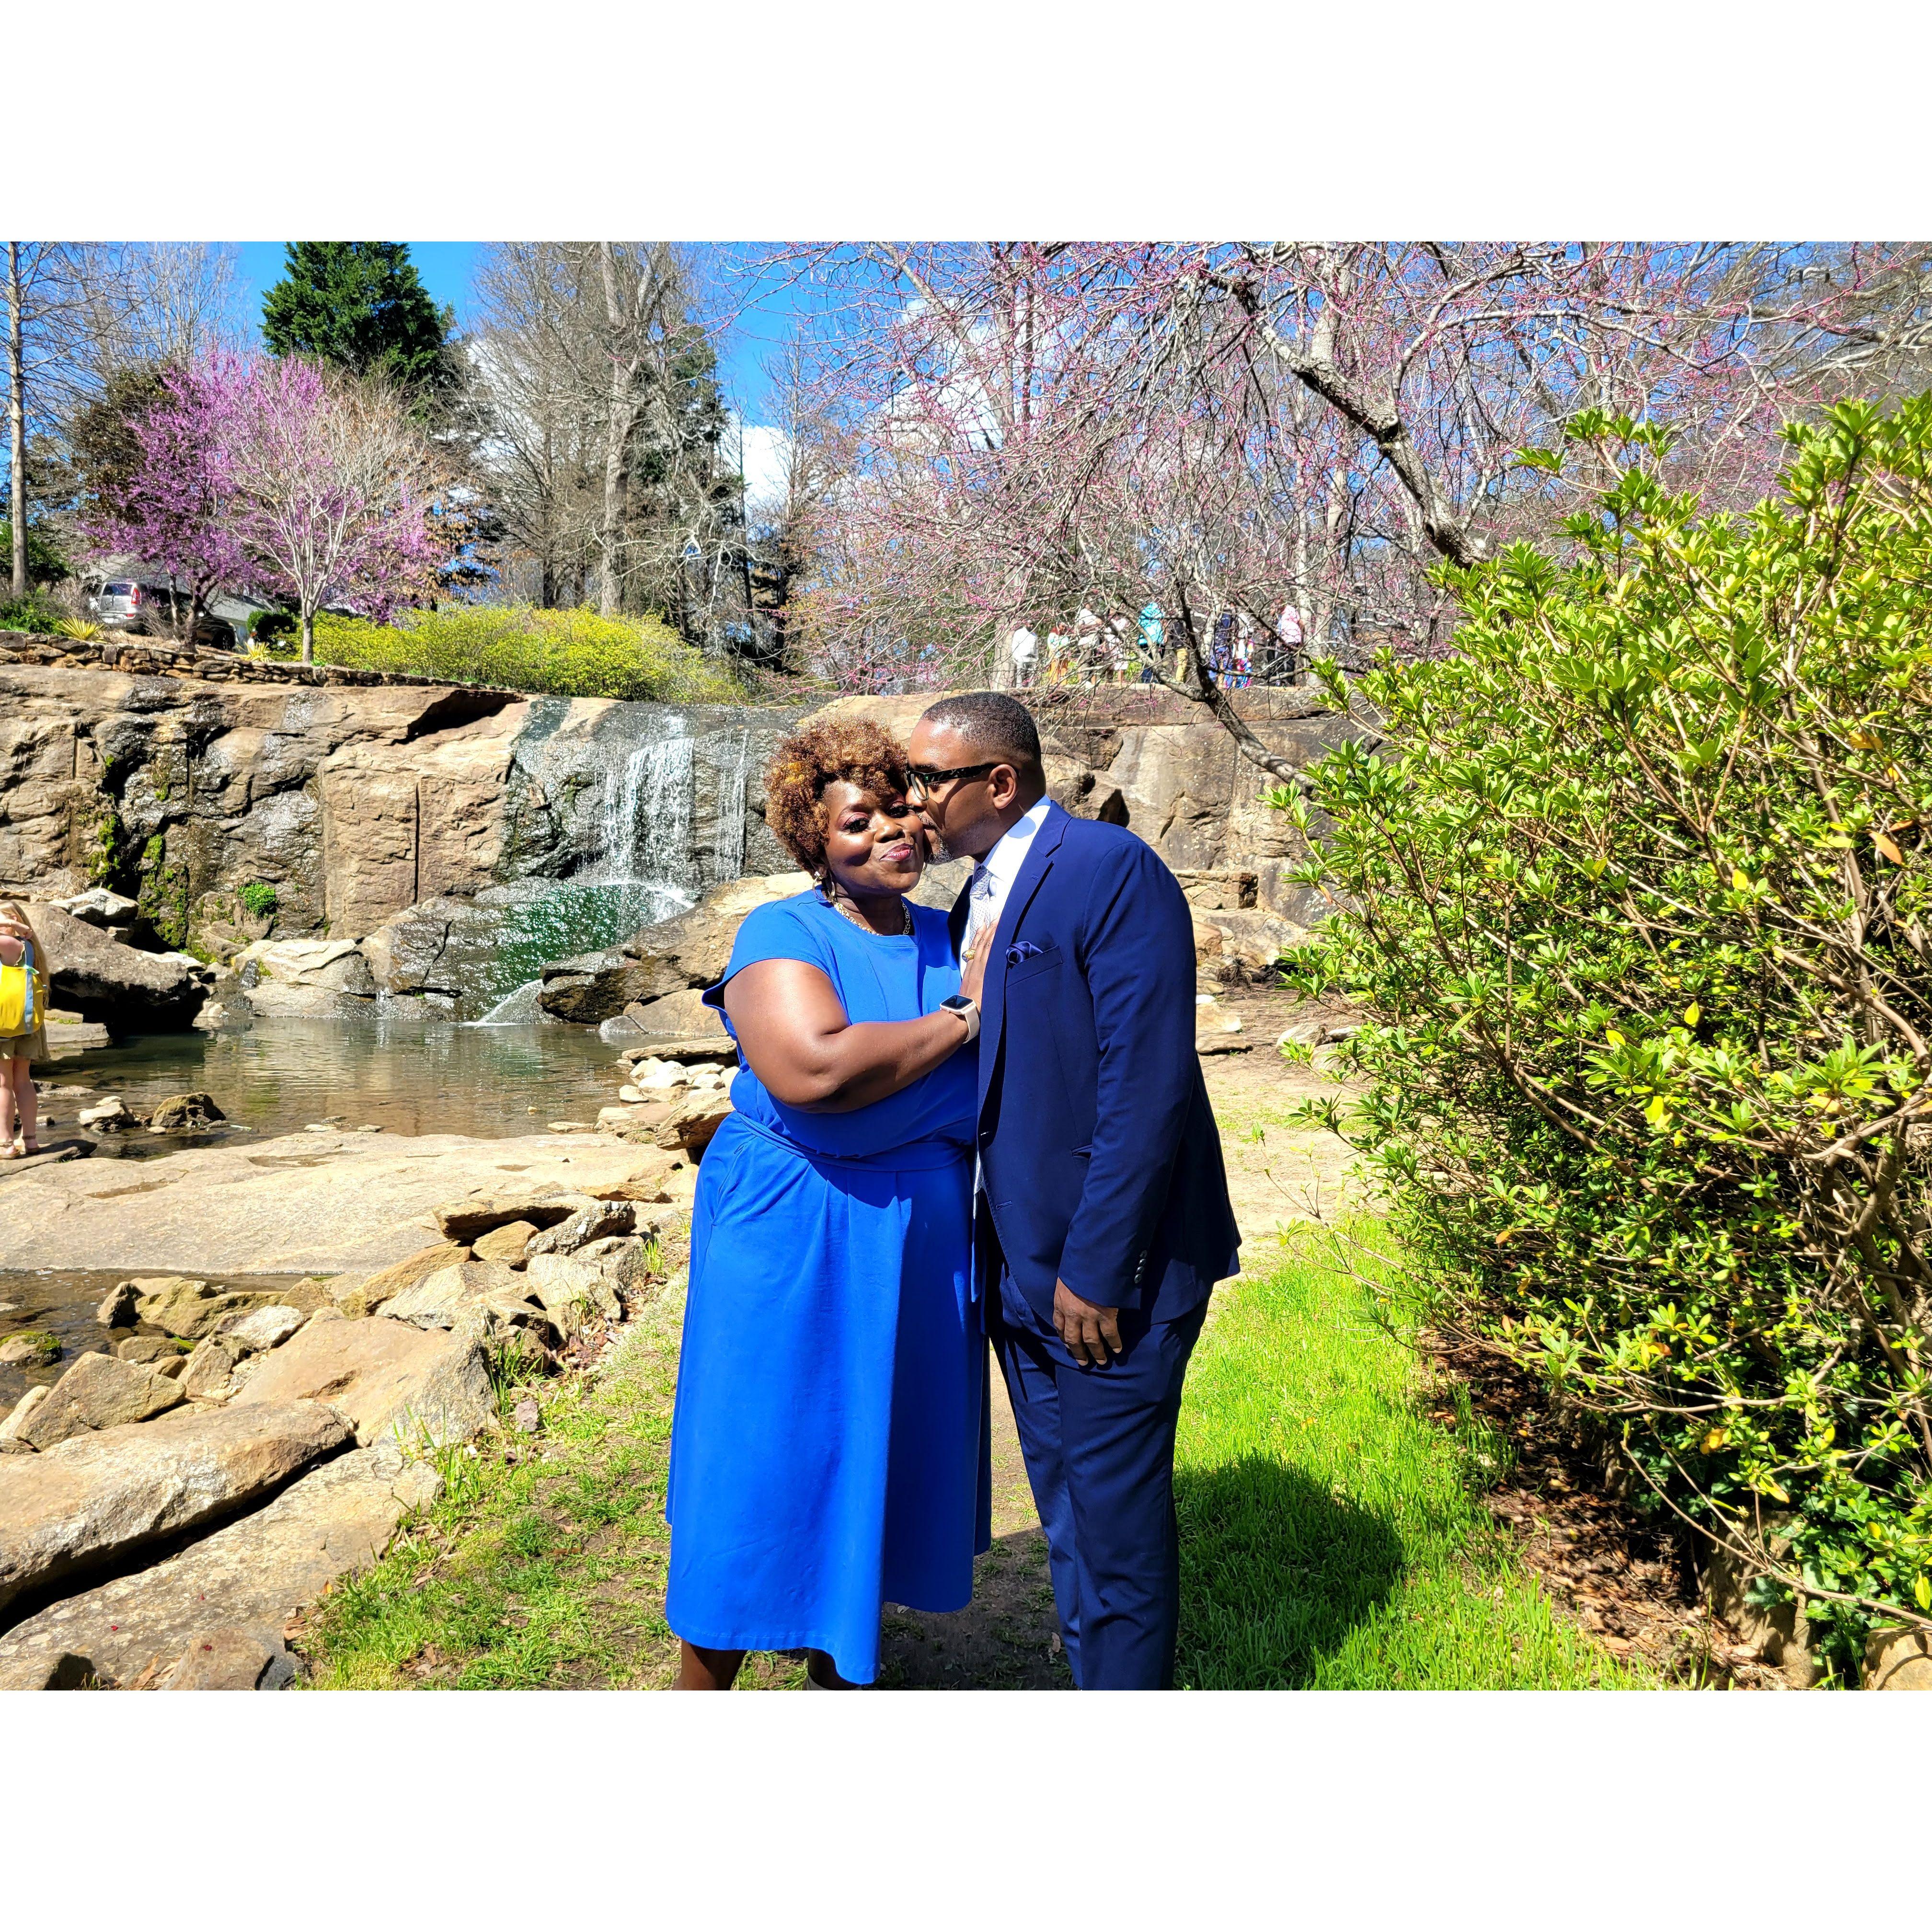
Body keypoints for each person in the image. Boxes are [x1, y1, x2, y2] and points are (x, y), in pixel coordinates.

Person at [905, 693, 1242, 1690]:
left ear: (1000, 782)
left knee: (1117, 1528)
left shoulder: (1108, 869)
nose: (914, 799)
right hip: (1016, 1272)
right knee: (1066, 1510)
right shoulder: (971, 902)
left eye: (930, 779)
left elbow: (1147, 1086)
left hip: (1108, 1279)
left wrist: (1097, 1270)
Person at [664, 719, 990, 1690]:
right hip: (794, 1224)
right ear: (815, 843)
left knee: (878, 1444)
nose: (888, 830)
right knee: (761, 1454)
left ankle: (840, 1662)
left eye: (898, 809)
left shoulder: (951, 936)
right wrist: (959, 1025)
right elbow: (814, 1071)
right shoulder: (782, 933)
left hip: (919, 1233)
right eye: (857, 821)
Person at [0, 902, 47, 1158]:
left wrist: (13, 925)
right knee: (23, 1081)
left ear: (15, 920)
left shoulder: (8, 944)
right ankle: (30, 1140)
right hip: (27, 1024)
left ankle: (6, 1144)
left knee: (3, 1083)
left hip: (4, 1026)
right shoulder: (29, 947)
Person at [1008, 623, 1040, 688]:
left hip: (1032, 659)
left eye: (1033, 624)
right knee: (1020, 677)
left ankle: (1030, 690)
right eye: (1030, 624)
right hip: (1022, 658)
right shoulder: (1019, 633)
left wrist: (1037, 658)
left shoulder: (1034, 635)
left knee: (1031, 678)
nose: (1032, 626)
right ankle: (1019, 690)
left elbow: (1036, 648)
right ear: (1026, 624)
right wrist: (1017, 658)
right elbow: (1014, 646)